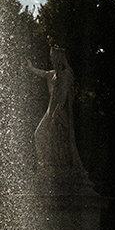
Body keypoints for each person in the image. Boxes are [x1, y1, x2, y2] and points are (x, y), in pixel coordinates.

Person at [26, 46, 87, 175]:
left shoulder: (66, 74)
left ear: (59, 58)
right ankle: (46, 164)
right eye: (51, 57)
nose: (52, 59)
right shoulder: (54, 74)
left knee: (55, 138)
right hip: (51, 110)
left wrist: (57, 111)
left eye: (54, 57)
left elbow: (64, 94)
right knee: (40, 135)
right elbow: (43, 73)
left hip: (59, 112)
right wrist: (31, 68)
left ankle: (57, 165)